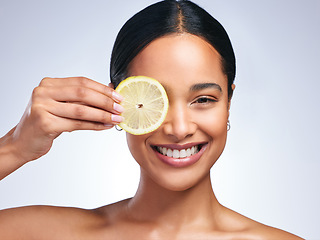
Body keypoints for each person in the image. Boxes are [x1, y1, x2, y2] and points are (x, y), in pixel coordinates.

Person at [0, 0, 304, 239]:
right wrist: (15, 148)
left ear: (228, 103)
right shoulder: (44, 235)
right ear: (118, 103)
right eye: (155, 100)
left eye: (203, 100)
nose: (180, 129)